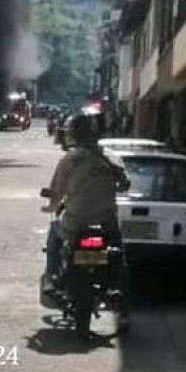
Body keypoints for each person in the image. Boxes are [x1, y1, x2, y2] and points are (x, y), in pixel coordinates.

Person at [42, 109, 131, 327]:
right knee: (120, 258)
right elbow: (125, 184)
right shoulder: (111, 158)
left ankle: (51, 279)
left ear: (74, 134)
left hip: (76, 224)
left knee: (54, 232)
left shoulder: (70, 160)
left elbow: (57, 192)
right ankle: (122, 307)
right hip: (106, 225)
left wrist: (51, 206)